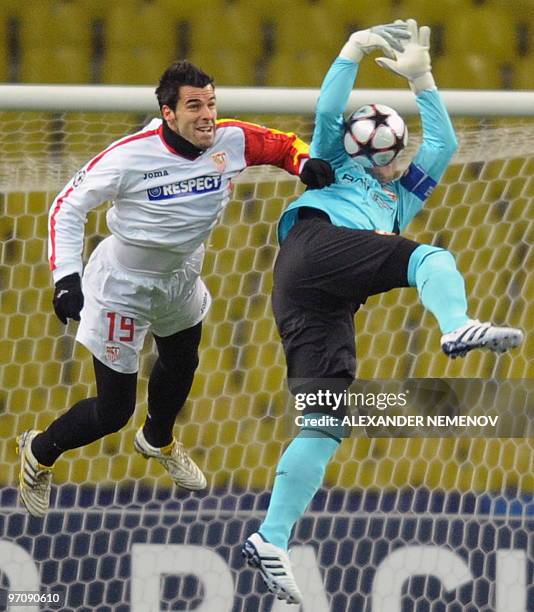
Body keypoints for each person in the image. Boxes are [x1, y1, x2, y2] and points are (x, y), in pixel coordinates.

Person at [242, 20, 524, 604]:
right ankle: (456, 326)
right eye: (388, 151)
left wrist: (423, 78)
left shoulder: (402, 197)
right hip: (314, 248)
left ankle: (270, 537)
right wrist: (351, 50)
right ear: (365, 147)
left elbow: (443, 145)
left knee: (325, 421)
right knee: (431, 257)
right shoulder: (336, 166)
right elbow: (326, 112)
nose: (395, 161)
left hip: (317, 296)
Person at [17, 60, 334, 518]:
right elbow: (66, 206)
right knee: (113, 411)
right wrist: (66, 278)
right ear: (168, 114)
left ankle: (158, 439)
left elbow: (283, 146)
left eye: (211, 102)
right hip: (121, 286)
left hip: (181, 275)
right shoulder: (129, 156)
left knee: (183, 361)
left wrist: (305, 163)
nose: (207, 115)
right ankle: (40, 451)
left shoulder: (230, 138)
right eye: (194, 106)